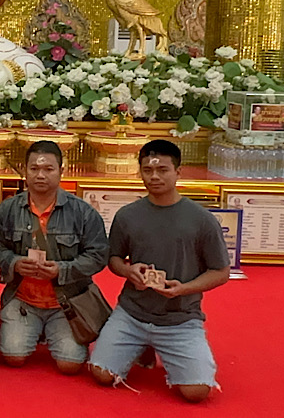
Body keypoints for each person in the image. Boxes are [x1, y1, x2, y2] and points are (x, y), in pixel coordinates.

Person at [89, 140, 230, 402]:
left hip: (180, 318)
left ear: (178, 172)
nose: (154, 176)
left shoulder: (202, 220)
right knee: (102, 374)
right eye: (148, 170)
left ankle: (158, 346)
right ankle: (141, 345)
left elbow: (221, 272)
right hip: (132, 313)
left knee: (197, 392)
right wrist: (129, 271)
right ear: (140, 172)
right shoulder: (127, 215)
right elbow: (114, 259)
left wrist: (184, 289)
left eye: (163, 170)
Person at [0, 141, 108, 374]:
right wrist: (14, 263)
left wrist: (62, 270)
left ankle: (50, 329)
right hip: (23, 299)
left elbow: (98, 255)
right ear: (24, 170)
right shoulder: (7, 209)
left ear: (61, 171)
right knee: (13, 357)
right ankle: (33, 328)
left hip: (66, 302)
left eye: (48, 169)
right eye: (34, 169)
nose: (40, 175)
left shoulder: (82, 212)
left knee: (70, 365)